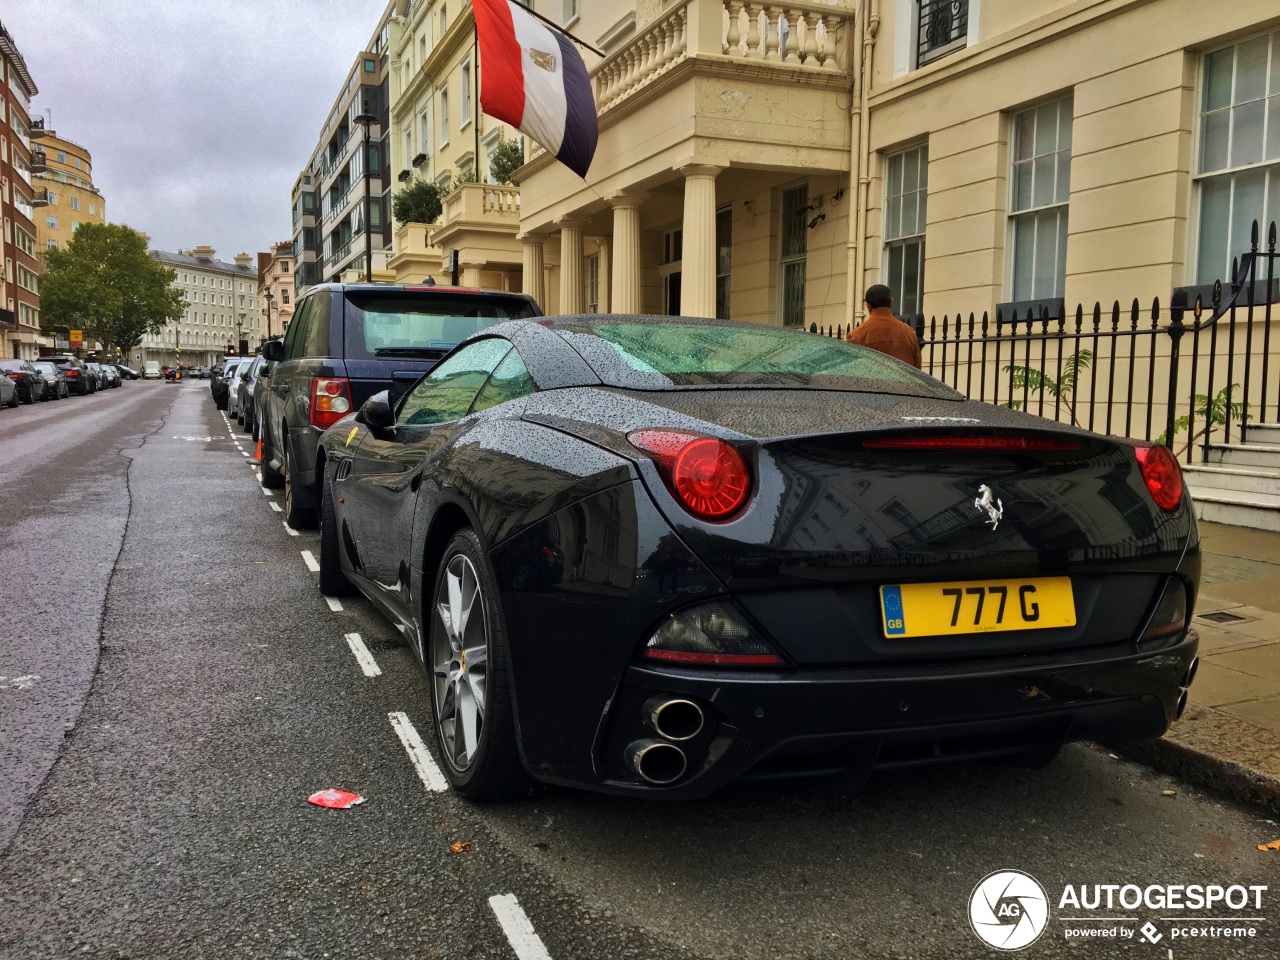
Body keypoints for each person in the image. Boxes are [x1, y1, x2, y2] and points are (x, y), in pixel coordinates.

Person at [846, 283, 922, 368]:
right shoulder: (909, 332)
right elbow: (917, 369)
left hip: (872, 381)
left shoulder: (856, 335)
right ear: (891, 302)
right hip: (902, 381)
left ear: (868, 306)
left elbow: (852, 369)